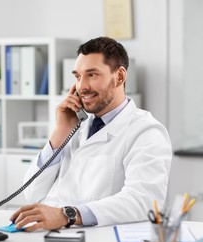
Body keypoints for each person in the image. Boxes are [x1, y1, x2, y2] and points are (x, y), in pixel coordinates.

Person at [10, 37, 172, 231]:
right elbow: (32, 193)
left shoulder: (147, 132)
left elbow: (142, 201)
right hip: (49, 235)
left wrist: (66, 215)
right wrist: (60, 132)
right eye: (78, 77)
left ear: (119, 77)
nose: (82, 86)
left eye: (92, 75)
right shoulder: (74, 128)